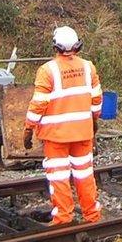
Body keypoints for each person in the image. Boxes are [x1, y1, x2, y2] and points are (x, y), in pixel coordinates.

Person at [24, 26, 103, 225]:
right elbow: (97, 101)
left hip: (55, 136)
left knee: (58, 177)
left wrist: (28, 128)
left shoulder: (47, 70)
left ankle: (63, 219)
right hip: (82, 133)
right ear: (78, 45)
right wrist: (93, 122)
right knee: (84, 174)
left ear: (55, 46)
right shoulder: (88, 67)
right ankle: (92, 216)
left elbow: (38, 104)